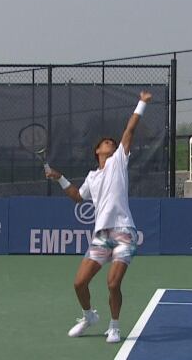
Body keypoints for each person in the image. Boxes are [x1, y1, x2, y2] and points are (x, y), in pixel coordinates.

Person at [45, 90, 152, 344]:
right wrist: (58, 177)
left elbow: (129, 130)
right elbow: (78, 197)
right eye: (106, 142)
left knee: (113, 283)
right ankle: (88, 316)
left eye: (112, 143)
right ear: (97, 151)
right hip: (101, 236)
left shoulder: (118, 162)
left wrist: (142, 103)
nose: (111, 143)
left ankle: (114, 326)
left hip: (125, 232)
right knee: (79, 283)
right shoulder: (92, 177)